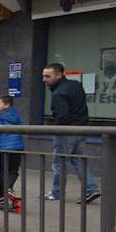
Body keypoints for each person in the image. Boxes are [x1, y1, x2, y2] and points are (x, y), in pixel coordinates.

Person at [41, 63, 99, 203]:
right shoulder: (75, 85)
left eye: (48, 76)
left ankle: (56, 193)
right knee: (78, 159)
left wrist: (58, 128)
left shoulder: (59, 93)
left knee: (59, 163)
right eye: (43, 76)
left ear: (59, 75)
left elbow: (62, 116)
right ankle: (91, 189)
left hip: (66, 131)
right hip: (81, 129)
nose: (44, 79)